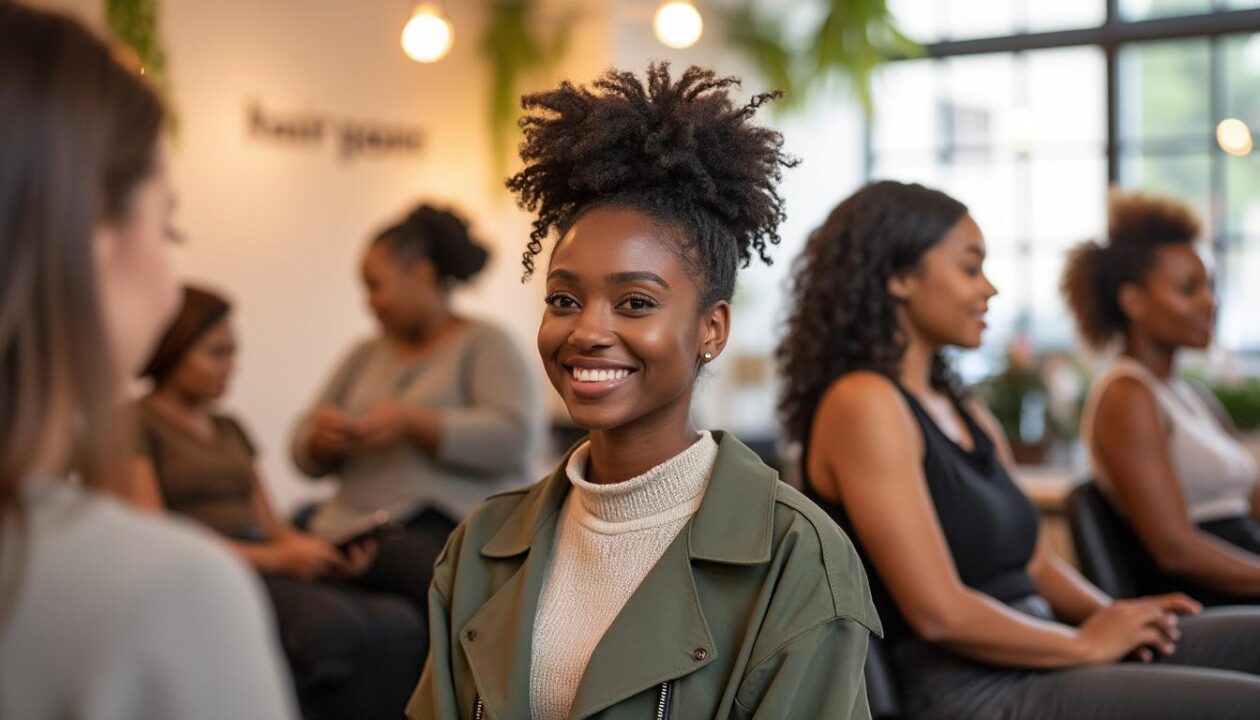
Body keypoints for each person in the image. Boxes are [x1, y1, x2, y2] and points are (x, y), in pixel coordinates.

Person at [408, 63, 880, 720]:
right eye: (564, 299)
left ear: (710, 329)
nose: (588, 331)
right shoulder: (481, 545)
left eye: (635, 302)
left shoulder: (798, 558)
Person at [777, 180, 1260, 719]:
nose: (990, 289)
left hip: (1043, 649)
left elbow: (1037, 562)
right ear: (898, 277)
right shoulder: (862, 404)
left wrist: (1120, 616)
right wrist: (1084, 644)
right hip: (974, 688)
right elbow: (939, 612)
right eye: (969, 268)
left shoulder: (966, 411)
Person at [0, 3, 295, 718]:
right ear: (89, 238)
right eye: (168, 228)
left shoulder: (227, 435)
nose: (170, 291)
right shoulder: (165, 593)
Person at [133, 285, 425, 720]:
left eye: (234, 353)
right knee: (333, 629)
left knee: (400, 623)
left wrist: (324, 555)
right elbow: (152, 538)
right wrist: (278, 559)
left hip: (265, 556)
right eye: (217, 353)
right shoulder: (135, 422)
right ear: (172, 349)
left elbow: (272, 525)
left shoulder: (229, 427)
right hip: (212, 567)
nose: (231, 367)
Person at [291, 203, 539, 611]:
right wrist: (321, 441)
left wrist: (412, 423)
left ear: (421, 275)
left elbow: (513, 438)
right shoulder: (365, 354)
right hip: (351, 523)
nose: (369, 303)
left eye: (376, 286)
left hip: (443, 529)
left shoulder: (486, 344)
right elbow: (302, 449)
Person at [1066, 190, 1260, 602]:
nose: (1210, 301)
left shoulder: (1193, 396)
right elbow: (1175, 551)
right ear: (1133, 300)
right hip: (1203, 601)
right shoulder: (1126, 395)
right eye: (1190, 289)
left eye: (1210, 286)